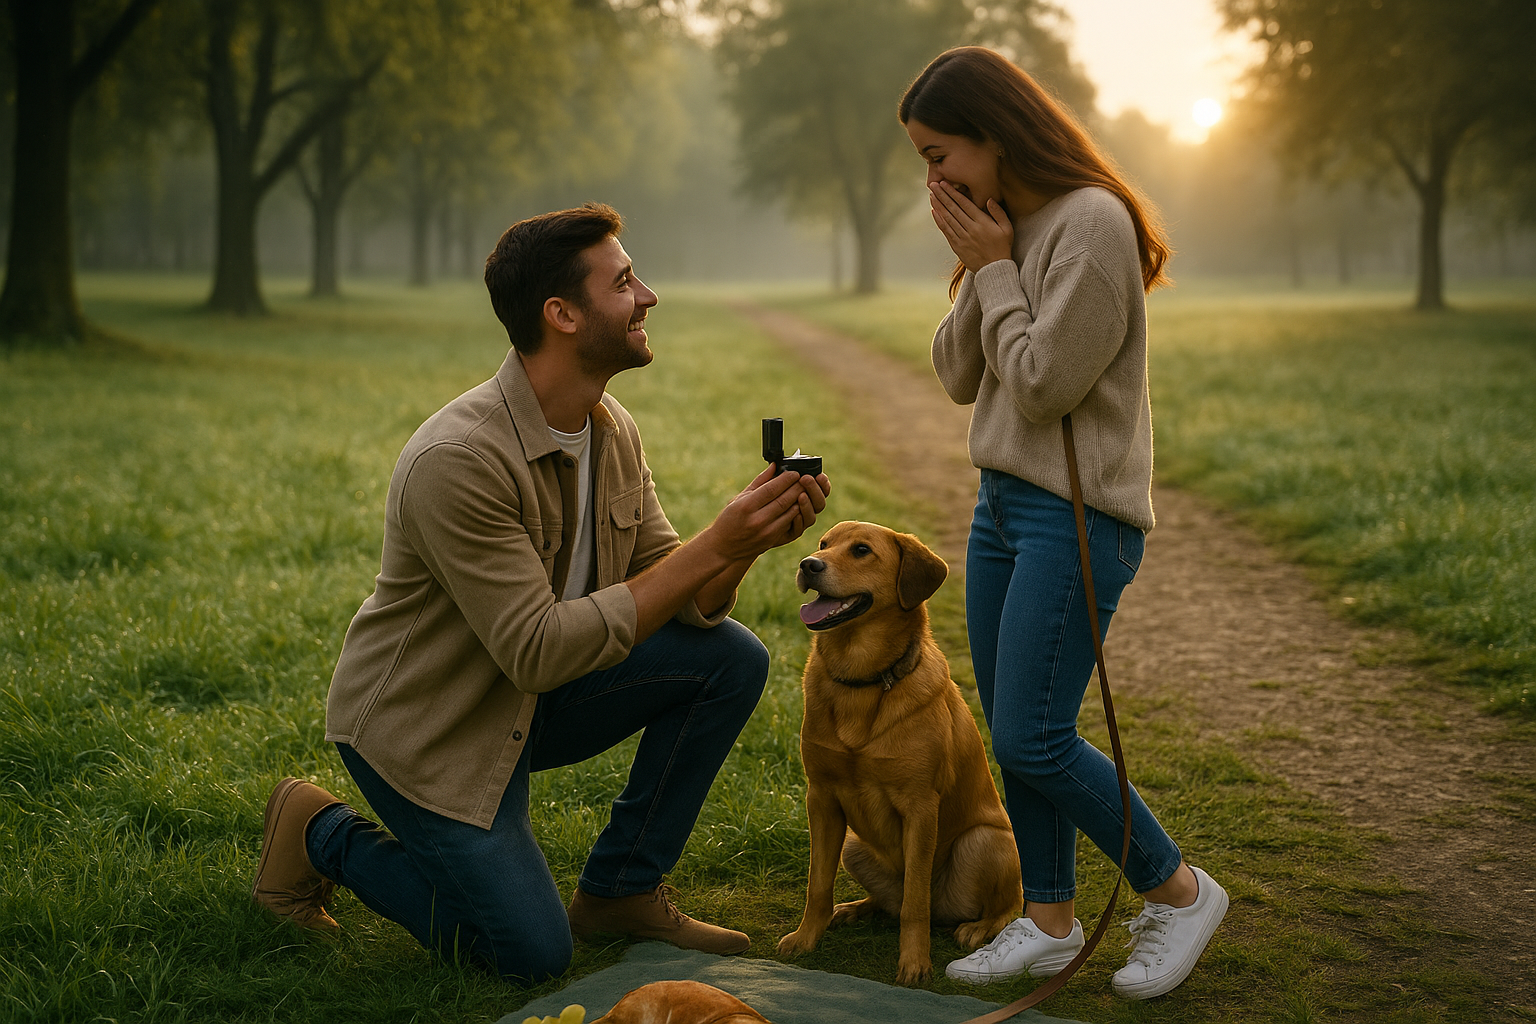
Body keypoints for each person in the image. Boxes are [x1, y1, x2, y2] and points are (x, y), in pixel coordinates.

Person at [250, 203, 831, 983]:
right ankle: (318, 831)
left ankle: (621, 891)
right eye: (623, 283)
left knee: (728, 657)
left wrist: (746, 543)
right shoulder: (458, 458)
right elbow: (536, 652)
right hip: (433, 731)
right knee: (528, 955)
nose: (649, 296)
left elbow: (679, 592)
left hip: (533, 699)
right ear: (561, 314)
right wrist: (717, 544)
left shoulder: (610, 426)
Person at [898, 48, 1227, 1000]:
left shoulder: (1092, 224)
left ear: (995, 135)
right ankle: (1048, 920)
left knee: (1032, 736)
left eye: (939, 155)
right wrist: (983, 266)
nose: (932, 180)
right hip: (1000, 507)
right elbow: (958, 374)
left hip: (1077, 516)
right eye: (923, 162)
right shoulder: (1008, 229)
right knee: (1017, 728)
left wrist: (996, 268)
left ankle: (1179, 890)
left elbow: (1042, 386)